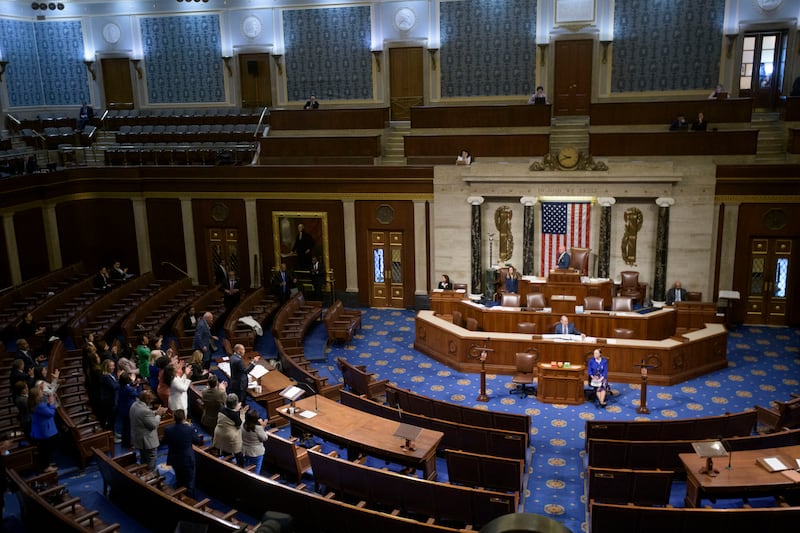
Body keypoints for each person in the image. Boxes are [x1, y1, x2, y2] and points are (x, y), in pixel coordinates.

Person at [163, 409, 203, 497]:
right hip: (187, 459)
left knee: (179, 477)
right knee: (189, 480)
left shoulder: (168, 429)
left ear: (174, 418)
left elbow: (165, 441)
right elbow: (197, 441)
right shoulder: (190, 428)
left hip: (174, 458)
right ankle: (190, 499)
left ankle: (180, 496)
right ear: (184, 418)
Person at [130, 390, 168, 471]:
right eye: (150, 400)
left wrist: (155, 412)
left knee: (143, 458)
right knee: (151, 459)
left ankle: (144, 472)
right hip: (147, 441)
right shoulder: (145, 411)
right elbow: (153, 425)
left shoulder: (135, 405)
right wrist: (158, 415)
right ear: (147, 400)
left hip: (138, 438)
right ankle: (150, 476)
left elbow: (144, 416)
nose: (151, 403)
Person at [29, 385, 58, 472]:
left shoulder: (37, 403)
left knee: (45, 448)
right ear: (37, 396)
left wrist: (49, 403)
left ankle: (47, 463)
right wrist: (52, 404)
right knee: (46, 448)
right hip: (44, 431)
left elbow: (46, 407)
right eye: (40, 392)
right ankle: (46, 466)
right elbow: (50, 413)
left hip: (42, 429)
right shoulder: (39, 406)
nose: (42, 392)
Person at [213, 393, 248, 465]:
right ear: (235, 404)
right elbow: (240, 424)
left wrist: (236, 409)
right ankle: (241, 466)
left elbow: (229, 411)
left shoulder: (222, 408)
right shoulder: (234, 415)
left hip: (219, 433)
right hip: (230, 437)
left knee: (225, 448)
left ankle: (227, 459)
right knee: (239, 453)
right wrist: (242, 413)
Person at [117, 372, 141, 449]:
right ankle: (129, 445)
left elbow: (129, 387)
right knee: (129, 428)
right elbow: (138, 394)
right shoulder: (128, 389)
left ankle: (124, 443)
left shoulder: (121, 386)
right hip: (128, 410)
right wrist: (138, 385)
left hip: (122, 408)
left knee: (125, 427)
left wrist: (133, 384)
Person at [241, 409, 268, 474]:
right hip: (256, 452)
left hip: (245, 450)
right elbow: (264, 438)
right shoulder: (258, 428)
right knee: (256, 471)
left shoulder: (242, 424)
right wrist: (263, 427)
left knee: (247, 467)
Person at [98, 359, 120, 436]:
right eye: (111, 366)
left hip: (113, 400)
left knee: (113, 418)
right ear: (106, 367)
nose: (113, 367)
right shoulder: (105, 377)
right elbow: (114, 386)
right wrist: (120, 380)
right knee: (111, 418)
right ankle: (110, 434)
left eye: (113, 366)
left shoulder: (111, 375)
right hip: (109, 401)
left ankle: (113, 433)